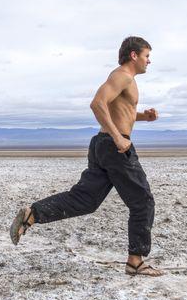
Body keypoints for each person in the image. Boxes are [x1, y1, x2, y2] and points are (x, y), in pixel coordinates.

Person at [9, 36, 164, 276]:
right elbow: (97, 104)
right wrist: (118, 137)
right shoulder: (121, 75)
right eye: (146, 56)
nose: (149, 61)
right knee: (142, 201)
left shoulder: (127, 79)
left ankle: (33, 213)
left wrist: (143, 116)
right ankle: (135, 261)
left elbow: (120, 110)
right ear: (134, 55)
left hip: (104, 146)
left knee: (85, 199)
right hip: (114, 146)